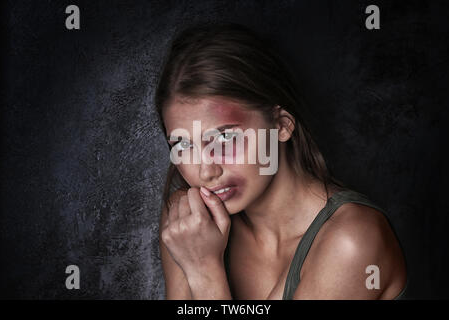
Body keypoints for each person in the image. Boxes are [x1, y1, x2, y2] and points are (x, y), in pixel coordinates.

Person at [154, 22, 407, 299]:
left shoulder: (353, 241)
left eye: (224, 138)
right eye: (183, 144)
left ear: (281, 125)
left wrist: (203, 271)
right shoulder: (190, 224)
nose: (206, 170)